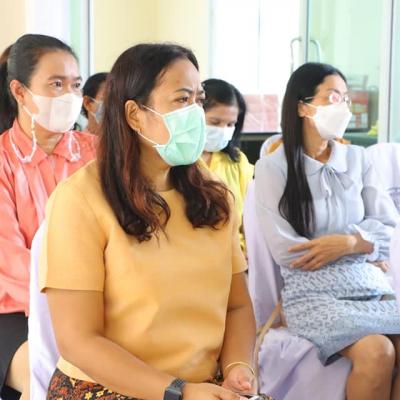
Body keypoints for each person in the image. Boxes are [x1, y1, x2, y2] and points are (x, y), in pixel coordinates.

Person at [41, 43, 256, 400]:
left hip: (200, 386)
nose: (195, 113)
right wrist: (179, 392)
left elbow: (238, 306)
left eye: (199, 100)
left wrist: (238, 369)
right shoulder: (80, 199)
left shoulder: (214, 194)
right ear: (134, 115)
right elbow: (78, 340)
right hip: (106, 387)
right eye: (182, 99)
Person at [254, 62, 400, 400]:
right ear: (303, 107)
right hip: (312, 294)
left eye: (346, 99)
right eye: (334, 97)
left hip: (369, 286)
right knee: (377, 352)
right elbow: (287, 251)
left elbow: (387, 228)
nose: (343, 107)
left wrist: (347, 243)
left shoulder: (359, 159)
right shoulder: (273, 168)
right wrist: (363, 244)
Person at [0, 34, 96, 399]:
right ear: (20, 91)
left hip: (100, 302)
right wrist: (73, 301)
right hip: (18, 310)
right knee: (50, 377)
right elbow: (10, 261)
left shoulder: (99, 153)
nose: (69, 95)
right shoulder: (4, 161)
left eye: (75, 85)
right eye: (56, 84)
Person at [201, 79, 254, 249]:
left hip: (237, 253)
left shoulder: (237, 161)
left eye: (230, 124)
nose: (223, 130)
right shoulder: (175, 161)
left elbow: (249, 217)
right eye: (215, 122)